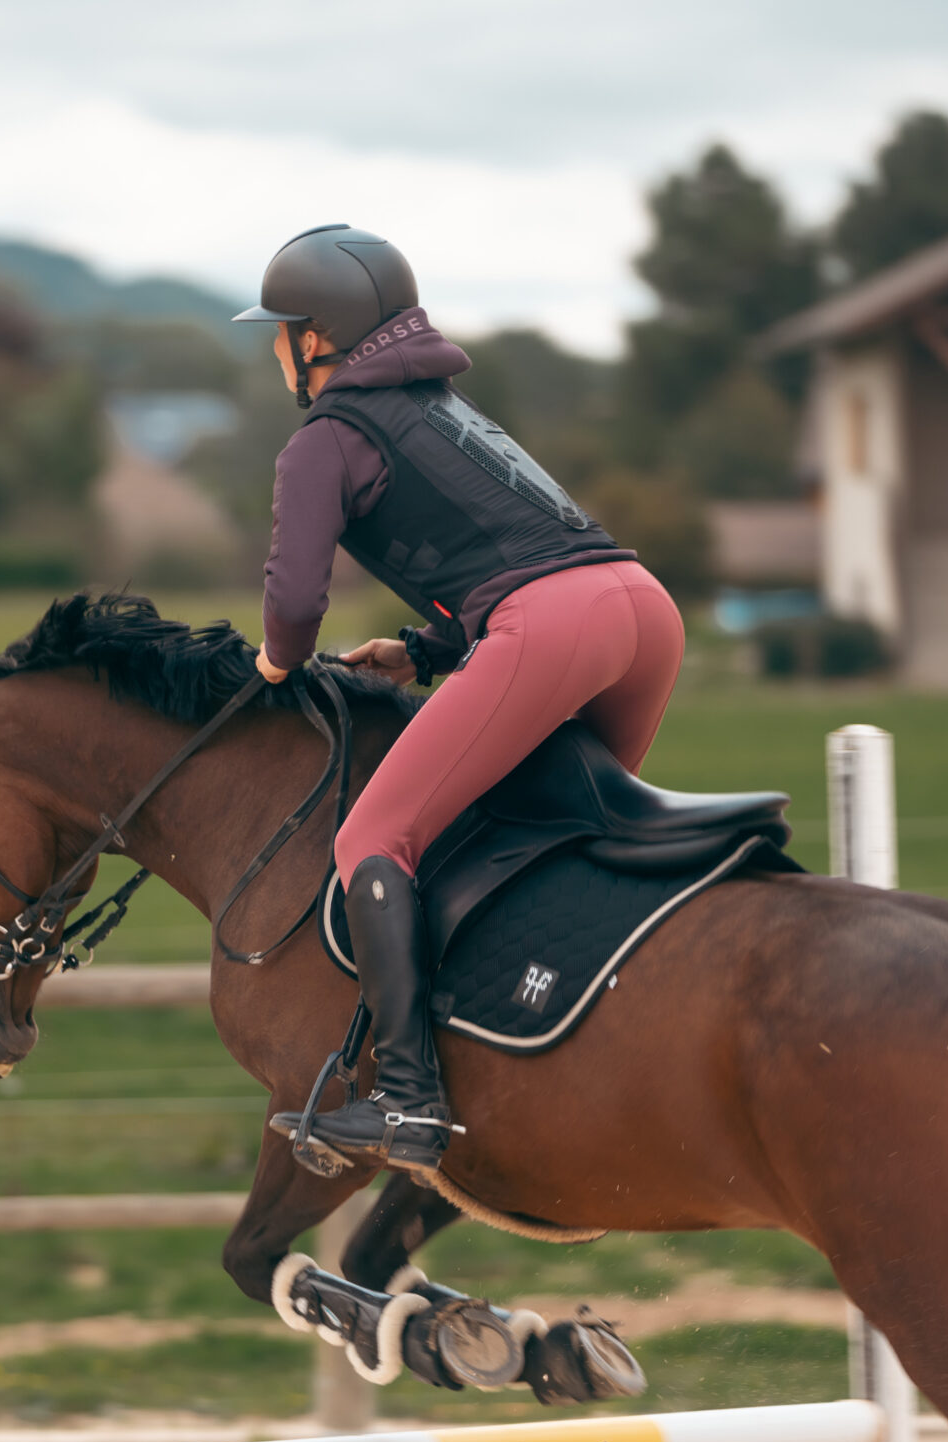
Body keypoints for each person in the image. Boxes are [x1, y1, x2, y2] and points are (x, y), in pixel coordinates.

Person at [233, 224, 685, 1182]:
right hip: (643, 612)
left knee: (371, 841)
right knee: (549, 840)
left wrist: (277, 666)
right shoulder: (447, 411)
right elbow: (526, 548)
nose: (274, 348)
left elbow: (297, 601)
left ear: (319, 337)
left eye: (281, 330)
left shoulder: (325, 438)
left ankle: (409, 1104)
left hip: (551, 628)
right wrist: (427, 648)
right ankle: (563, 1049)